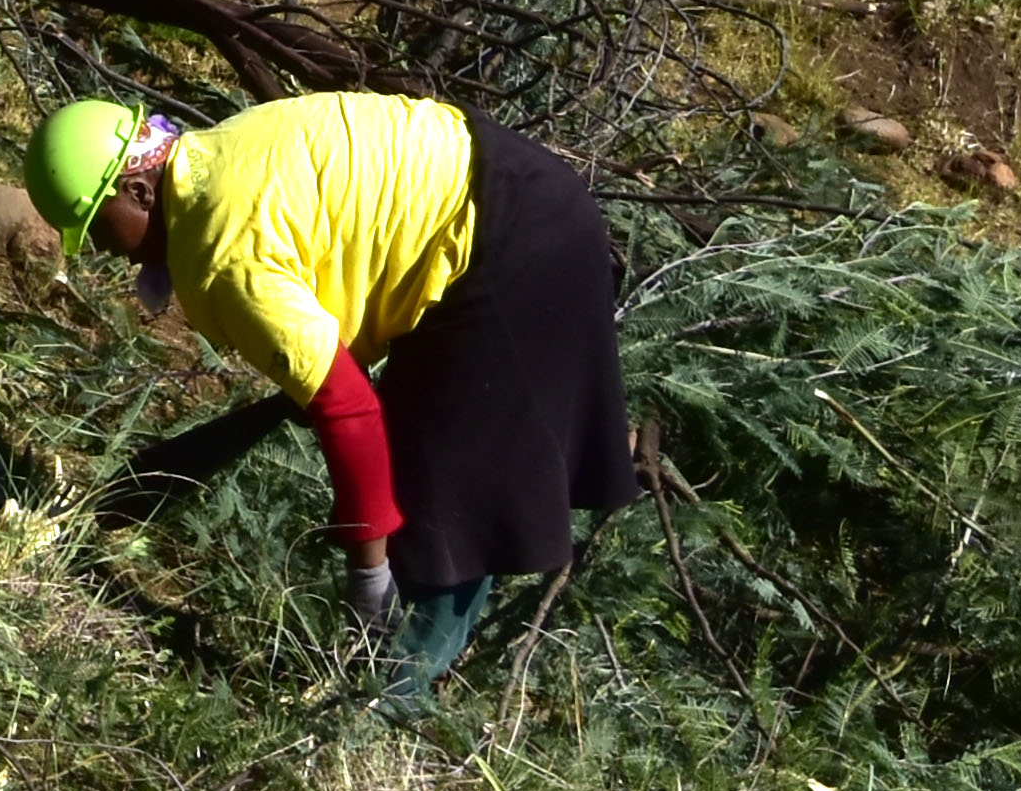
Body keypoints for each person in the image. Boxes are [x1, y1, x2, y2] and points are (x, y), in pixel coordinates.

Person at [35, 87, 638, 704]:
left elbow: (348, 409)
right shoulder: (216, 156)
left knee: (446, 500)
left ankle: (387, 704)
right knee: (423, 459)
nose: (103, 251)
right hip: (508, 184)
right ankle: (391, 674)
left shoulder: (222, 249)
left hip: (513, 239)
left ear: (138, 189)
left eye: (95, 227)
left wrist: (368, 573)